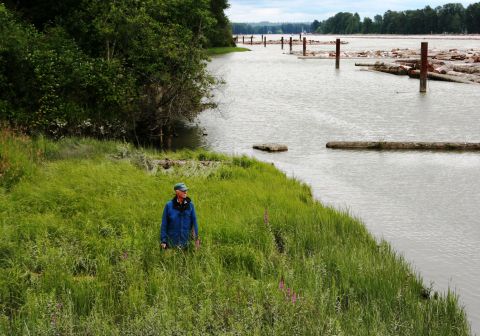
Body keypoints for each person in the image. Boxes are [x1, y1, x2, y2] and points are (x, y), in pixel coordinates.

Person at [160, 182, 200, 249]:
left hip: (186, 243)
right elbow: (164, 224)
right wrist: (163, 240)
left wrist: (196, 239)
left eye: (186, 190)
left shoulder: (190, 205)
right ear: (177, 192)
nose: (185, 192)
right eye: (183, 190)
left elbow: (194, 222)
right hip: (171, 243)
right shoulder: (169, 205)